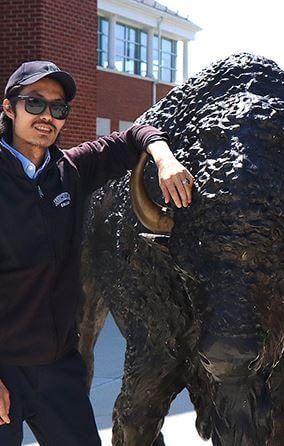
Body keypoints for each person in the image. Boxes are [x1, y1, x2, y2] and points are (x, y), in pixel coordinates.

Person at [0, 60, 194, 445]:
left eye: (59, 108)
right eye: (34, 103)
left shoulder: (70, 170)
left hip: (58, 369)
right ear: (9, 108)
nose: (47, 116)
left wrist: (163, 155)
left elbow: (133, 135)